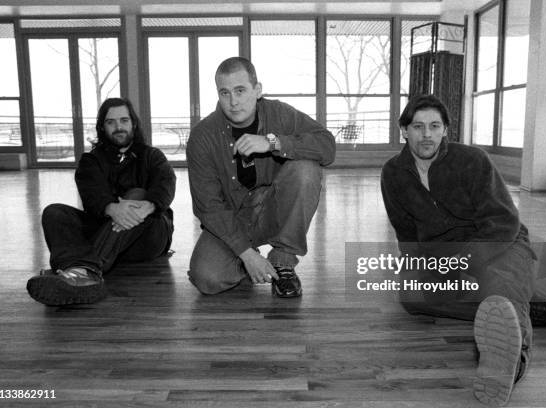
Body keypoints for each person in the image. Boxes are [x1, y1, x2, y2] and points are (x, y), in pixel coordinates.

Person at [380, 94, 546, 407]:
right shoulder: (392, 174)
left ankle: (509, 365)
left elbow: (503, 221)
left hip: (500, 242)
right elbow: (405, 231)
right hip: (444, 253)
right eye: (417, 126)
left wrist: (468, 261)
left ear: (446, 129)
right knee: (411, 295)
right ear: (404, 131)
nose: (426, 134)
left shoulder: (472, 160)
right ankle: (530, 308)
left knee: (495, 281)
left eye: (434, 126)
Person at [186, 57, 335, 298]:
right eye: (224, 93)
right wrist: (246, 253)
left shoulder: (280, 114)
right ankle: (248, 258)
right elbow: (208, 206)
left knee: (306, 169)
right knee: (207, 279)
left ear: (257, 90)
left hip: (274, 208)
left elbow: (327, 147)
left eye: (240, 90)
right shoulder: (202, 137)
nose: (233, 102)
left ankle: (283, 263)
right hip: (233, 218)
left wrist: (273, 142)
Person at [26, 97, 176, 306]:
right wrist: (112, 208)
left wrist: (146, 207)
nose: (118, 127)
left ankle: (83, 271)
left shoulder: (152, 156)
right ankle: (78, 274)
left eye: (124, 120)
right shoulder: (92, 160)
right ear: (102, 127)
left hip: (148, 235)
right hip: (103, 231)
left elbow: (166, 185)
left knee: (137, 196)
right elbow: (92, 193)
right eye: (111, 122)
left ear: (133, 123)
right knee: (54, 212)